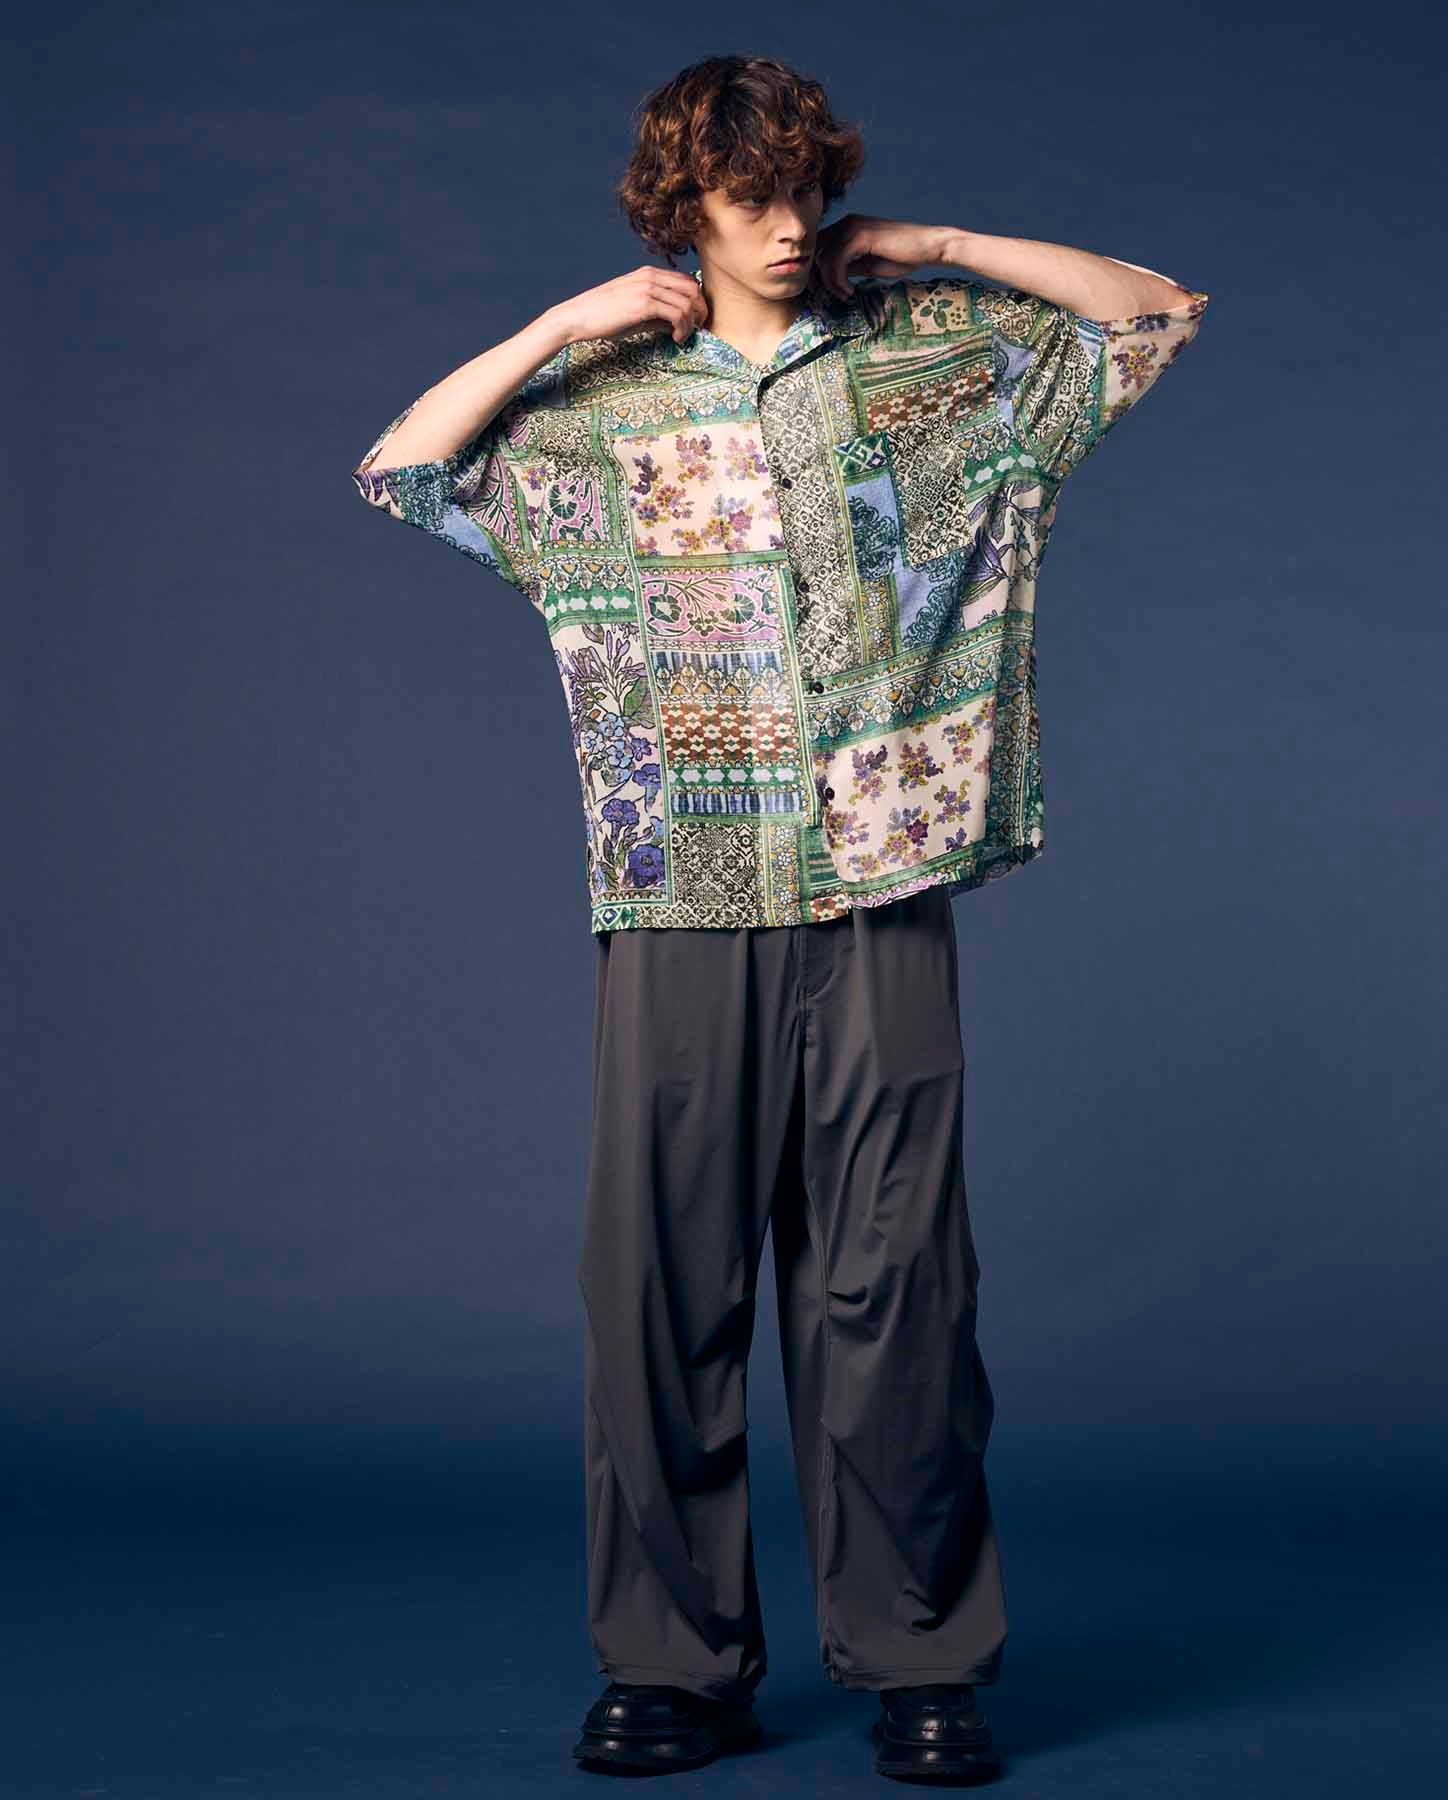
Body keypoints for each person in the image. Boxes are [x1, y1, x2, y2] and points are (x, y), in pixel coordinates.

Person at [350, 51, 1210, 1784]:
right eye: (752, 197)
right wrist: (561, 324)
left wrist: (939, 242)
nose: (791, 225)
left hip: (881, 879)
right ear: (683, 207)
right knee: (657, 1291)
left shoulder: (925, 372)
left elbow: (1151, 316)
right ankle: (673, 1666)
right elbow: (405, 470)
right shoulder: (607, 409)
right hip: (682, 891)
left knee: (900, 1291)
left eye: (809, 191)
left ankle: (922, 1660)